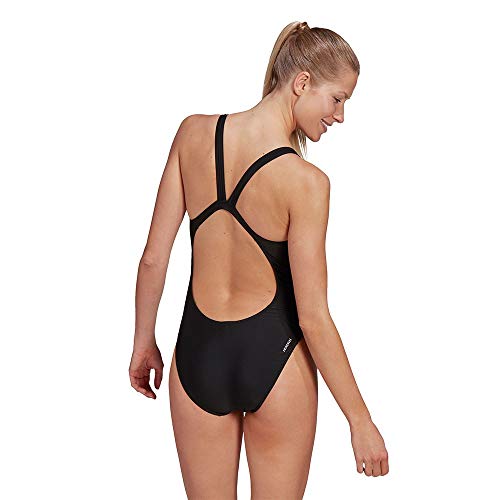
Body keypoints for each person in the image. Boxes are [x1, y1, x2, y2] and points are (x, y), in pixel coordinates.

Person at [129, 20, 389, 498]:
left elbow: (152, 259)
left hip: (197, 357)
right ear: (302, 83)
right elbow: (312, 316)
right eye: (338, 99)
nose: (340, 116)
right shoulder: (307, 183)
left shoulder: (192, 134)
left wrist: (143, 341)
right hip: (277, 363)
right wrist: (360, 420)